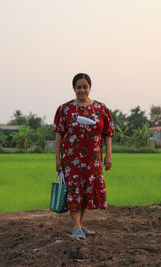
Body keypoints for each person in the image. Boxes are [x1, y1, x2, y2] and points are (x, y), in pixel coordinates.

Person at [54, 73, 115, 239]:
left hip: (93, 159)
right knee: (74, 190)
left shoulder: (101, 109)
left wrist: (108, 154)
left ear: (90, 88)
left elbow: (107, 133)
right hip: (71, 159)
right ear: (74, 89)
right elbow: (59, 135)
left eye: (85, 87)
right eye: (78, 87)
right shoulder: (64, 109)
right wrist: (58, 158)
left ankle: (80, 225)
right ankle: (75, 227)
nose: (82, 90)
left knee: (87, 190)